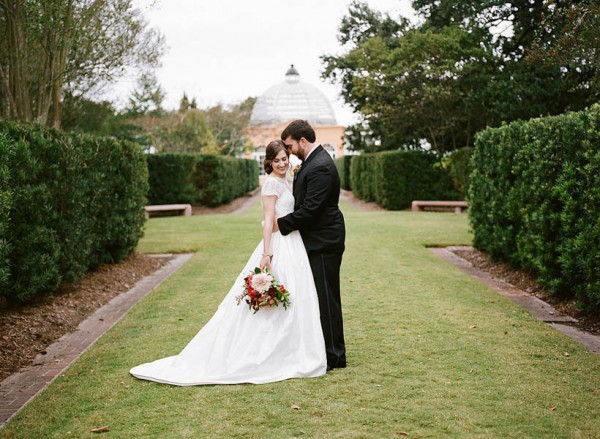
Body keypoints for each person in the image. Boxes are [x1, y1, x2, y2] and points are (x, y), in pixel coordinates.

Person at [130, 140, 326, 385]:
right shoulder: (271, 184)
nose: (282, 163)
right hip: (278, 244)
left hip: (294, 243)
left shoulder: (287, 180)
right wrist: (267, 254)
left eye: (284, 159)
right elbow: (268, 220)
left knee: (298, 296)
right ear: (269, 163)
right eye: (276, 161)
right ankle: (271, 352)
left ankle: (293, 347)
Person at [277, 120, 347, 371]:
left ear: (302, 141)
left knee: (327, 299)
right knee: (320, 297)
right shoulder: (312, 163)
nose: (288, 151)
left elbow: (311, 210)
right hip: (316, 239)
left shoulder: (320, 167)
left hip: (324, 241)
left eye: (290, 145)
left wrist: (280, 224)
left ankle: (335, 355)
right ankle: (326, 350)